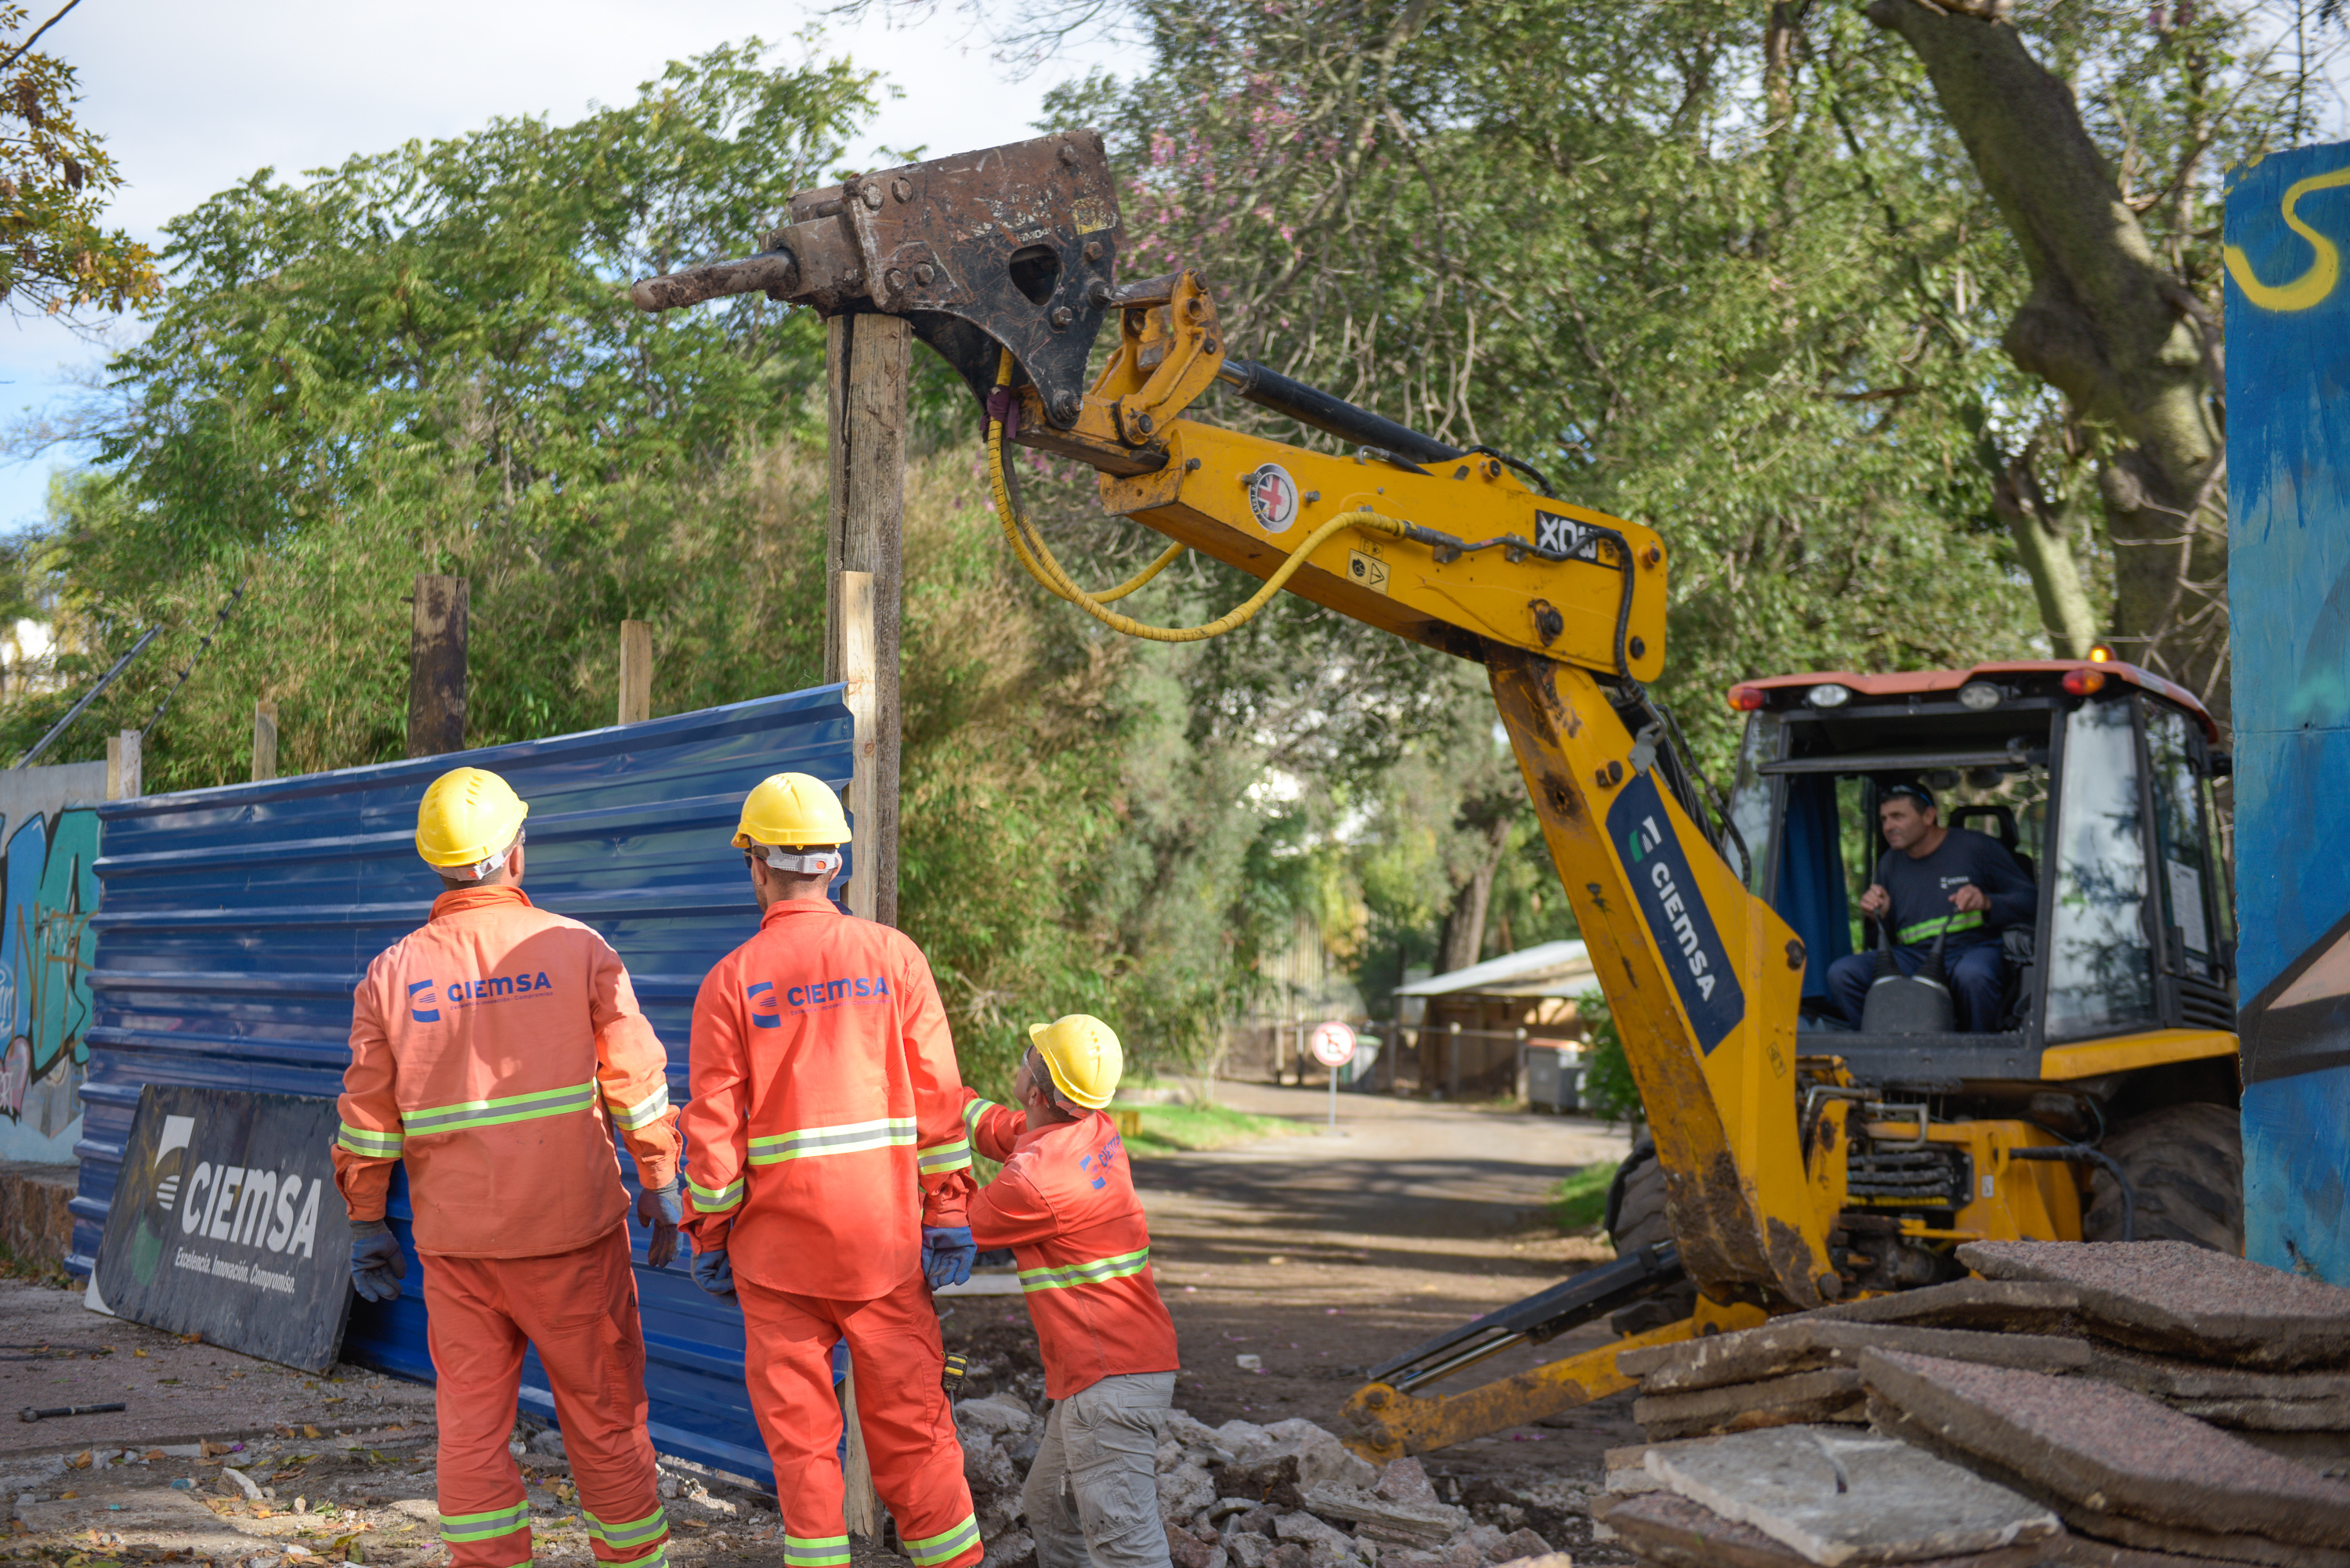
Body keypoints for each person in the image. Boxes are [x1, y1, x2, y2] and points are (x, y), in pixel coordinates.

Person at [334, 766, 683, 1568]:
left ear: (435, 862)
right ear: (515, 853)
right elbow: (636, 1083)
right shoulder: (577, 949)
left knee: (471, 1427)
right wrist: (661, 1183)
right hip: (571, 1239)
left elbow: (365, 1119)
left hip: (457, 1247)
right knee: (602, 1419)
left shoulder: (389, 976)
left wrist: (363, 1224)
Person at [680, 772, 984, 1568]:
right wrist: (949, 1211)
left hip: (776, 1262)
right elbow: (939, 1105)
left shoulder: (730, 983)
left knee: (805, 1451)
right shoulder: (894, 957)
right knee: (915, 1437)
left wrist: (709, 1235)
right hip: (882, 1252)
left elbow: (713, 1135)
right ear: (836, 866)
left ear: (757, 866)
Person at [960, 1016, 1180, 1568]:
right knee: (1051, 1506)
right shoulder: (1093, 1130)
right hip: (1112, 1371)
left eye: (1030, 1052)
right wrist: (944, 1097)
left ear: (1036, 1087)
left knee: (1127, 1547)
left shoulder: (1035, 1184)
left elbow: (952, 1229)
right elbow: (1004, 1130)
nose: (1023, 1054)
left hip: (1110, 1383)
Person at [1826, 782, 2037, 1033]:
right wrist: (1876, 916)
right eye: (1883, 819)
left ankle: (1982, 1058)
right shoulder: (1889, 863)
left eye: (1898, 817)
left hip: (1972, 950)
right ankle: (1881, 1050)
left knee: (1973, 976)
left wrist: (1987, 902)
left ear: (1928, 816)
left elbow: (2031, 901)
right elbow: (1884, 937)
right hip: (1912, 957)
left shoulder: (1978, 847)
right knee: (1842, 973)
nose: (1888, 827)